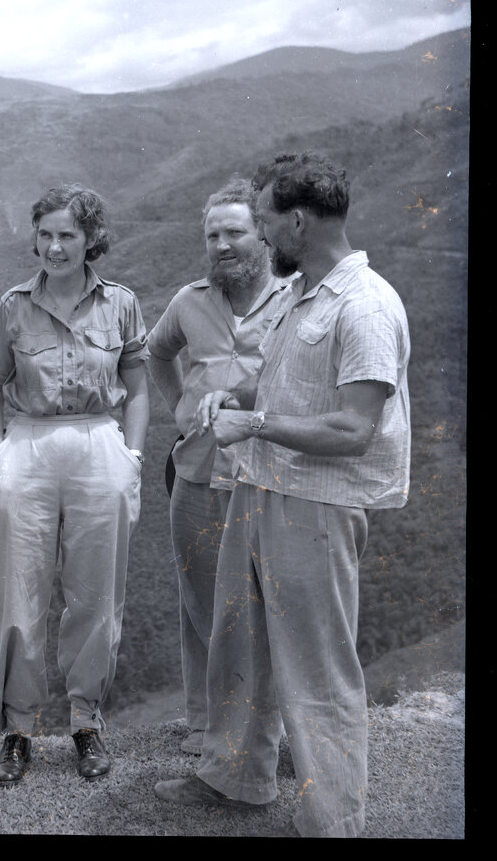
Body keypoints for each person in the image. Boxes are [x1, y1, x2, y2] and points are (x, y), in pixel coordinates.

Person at [152, 153, 411, 838]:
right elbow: (280, 387)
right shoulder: (304, 297)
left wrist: (258, 423)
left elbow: (356, 427)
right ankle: (233, 779)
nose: (261, 235)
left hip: (318, 507)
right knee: (238, 645)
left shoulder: (366, 305)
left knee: (317, 667)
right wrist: (216, 400)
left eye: (266, 219)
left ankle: (333, 818)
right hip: (260, 490)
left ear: (298, 220)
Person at [0, 183, 149, 785]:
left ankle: (85, 722)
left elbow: (138, 381)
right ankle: (18, 731)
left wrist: (131, 452)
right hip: (27, 442)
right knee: (18, 592)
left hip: (100, 440)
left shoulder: (121, 303)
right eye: (45, 234)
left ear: (90, 239)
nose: (54, 247)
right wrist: (0, 455)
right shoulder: (12, 305)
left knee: (96, 593)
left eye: (67, 235)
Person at [146, 176, 286, 755]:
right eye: (212, 235)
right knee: (202, 604)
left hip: (269, 475)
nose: (222, 245)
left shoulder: (295, 298)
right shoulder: (189, 301)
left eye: (235, 232)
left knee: (273, 605)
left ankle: (275, 730)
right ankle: (207, 726)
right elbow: (156, 352)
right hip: (199, 472)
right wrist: (180, 407)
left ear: (263, 235)